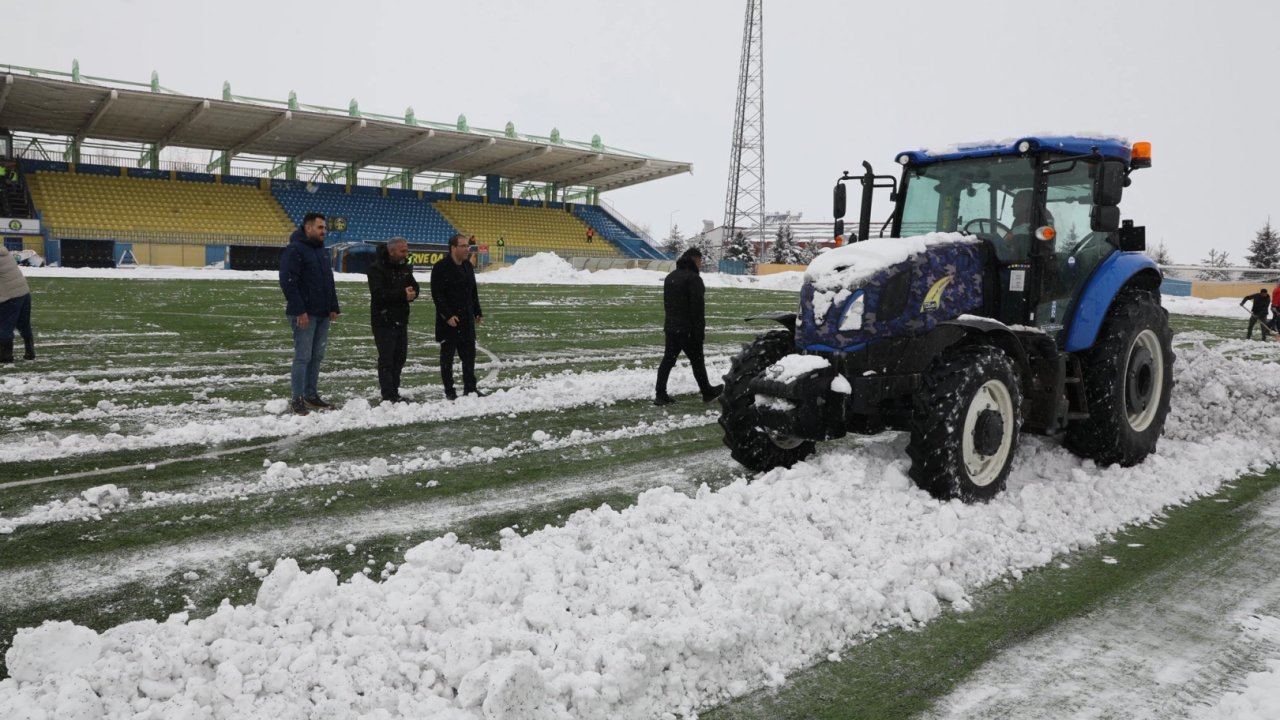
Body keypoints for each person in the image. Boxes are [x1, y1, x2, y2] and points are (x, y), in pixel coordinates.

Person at [279, 212, 341, 415]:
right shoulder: (295, 249)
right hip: (305, 314)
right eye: (320, 227)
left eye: (325, 227)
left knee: (317, 356)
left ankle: (311, 395)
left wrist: (333, 306)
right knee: (303, 356)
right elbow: (288, 281)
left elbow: (328, 281)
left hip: (322, 312)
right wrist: (299, 310)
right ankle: (297, 399)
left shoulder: (321, 251)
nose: (325, 231)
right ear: (308, 228)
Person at [654, 247, 723, 406]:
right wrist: (699, 332)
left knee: (668, 360)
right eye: (700, 260)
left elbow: (667, 304)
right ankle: (707, 392)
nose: (700, 264)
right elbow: (697, 308)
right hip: (688, 329)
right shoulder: (693, 279)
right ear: (695, 259)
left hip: (672, 327)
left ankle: (660, 394)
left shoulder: (670, 277)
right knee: (697, 361)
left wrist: (671, 323)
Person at [432, 234, 486, 400]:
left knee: (469, 356)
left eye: (467, 246)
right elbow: (438, 295)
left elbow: (473, 291)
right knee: (447, 358)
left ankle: (470, 388)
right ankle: (450, 391)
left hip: (467, 319)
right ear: (453, 248)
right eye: (463, 246)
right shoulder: (440, 267)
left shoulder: (468, 266)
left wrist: (477, 312)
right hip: (450, 322)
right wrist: (447, 315)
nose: (467, 249)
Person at [367, 236, 420, 403]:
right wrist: (403, 294)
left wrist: (413, 294)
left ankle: (394, 391)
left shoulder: (404, 267)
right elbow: (378, 294)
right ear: (391, 251)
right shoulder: (376, 268)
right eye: (403, 251)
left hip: (401, 320)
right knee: (387, 359)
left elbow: (415, 287)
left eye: (407, 250)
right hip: (383, 321)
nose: (406, 254)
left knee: (399, 358)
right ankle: (388, 395)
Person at [0, 244, 35, 363]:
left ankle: (5, 356)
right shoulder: (4, 253)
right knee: (24, 325)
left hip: (10, 297)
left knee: (4, 327)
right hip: (24, 293)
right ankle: (30, 352)